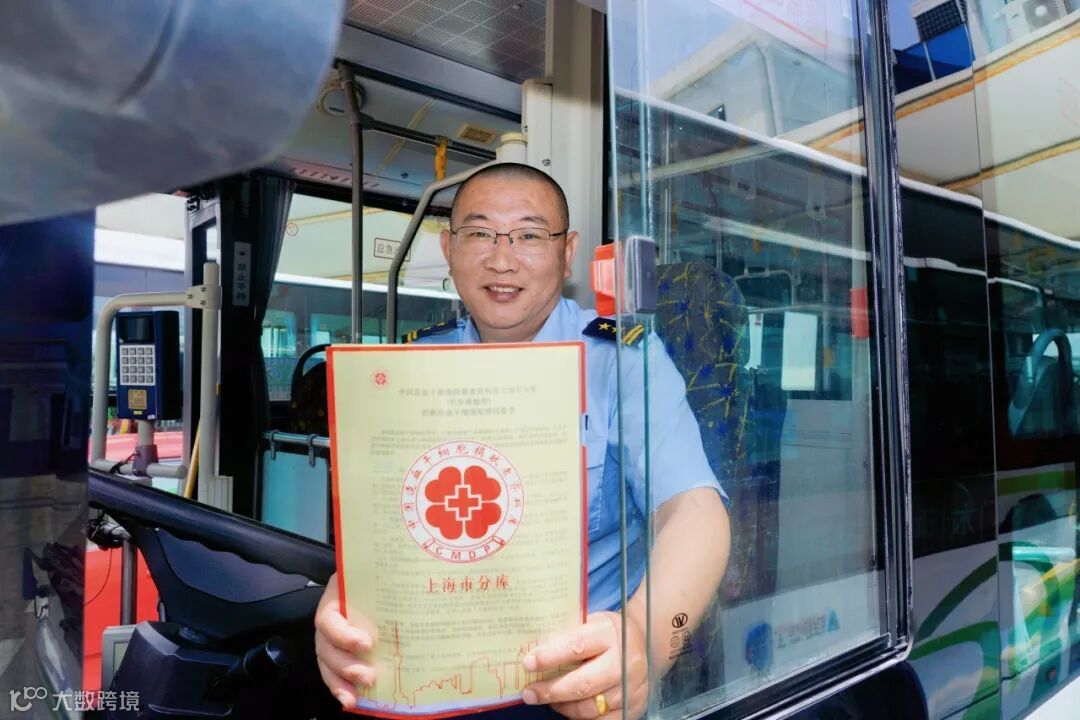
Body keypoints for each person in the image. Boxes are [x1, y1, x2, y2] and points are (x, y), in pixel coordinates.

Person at [315, 163, 731, 720]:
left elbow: (694, 511)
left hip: (570, 687)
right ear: (449, 248)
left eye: (530, 236)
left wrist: (646, 640)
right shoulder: (412, 365)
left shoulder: (623, 360)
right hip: (424, 678)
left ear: (567, 252)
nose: (502, 260)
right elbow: (389, 530)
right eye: (479, 233)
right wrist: (346, 602)